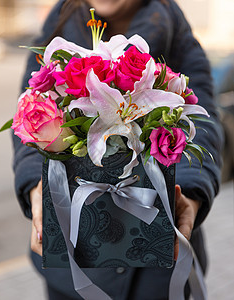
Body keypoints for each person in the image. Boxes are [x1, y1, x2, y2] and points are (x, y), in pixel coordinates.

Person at [12, 0, 223, 299]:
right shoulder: (58, 24)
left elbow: (202, 121)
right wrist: (37, 190)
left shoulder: (174, 27)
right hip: (72, 270)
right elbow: (30, 116)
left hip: (158, 272)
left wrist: (191, 194)